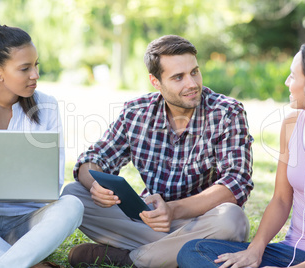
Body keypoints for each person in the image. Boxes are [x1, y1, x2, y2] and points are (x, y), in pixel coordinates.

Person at [62, 35, 254, 268]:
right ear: (156, 82)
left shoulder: (227, 112)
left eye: (194, 72)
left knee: (233, 220)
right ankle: (171, 255)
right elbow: (94, 158)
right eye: (178, 77)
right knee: (74, 194)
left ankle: (131, 260)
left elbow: (237, 182)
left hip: (201, 223)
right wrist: (94, 185)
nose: (192, 83)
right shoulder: (137, 112)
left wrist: (173, 210)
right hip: (148, 221)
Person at [177, 40, 305, 267]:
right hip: (290, 252)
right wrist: (255, 249)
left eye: (293, 76)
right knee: (195, 251)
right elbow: (282, 200)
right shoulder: (292, 124)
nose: (286, 82)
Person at [0, 21, 84, 268]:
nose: (35, 75)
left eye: (35, 65)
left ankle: (6, 261)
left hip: (28, 225)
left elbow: (54, 182)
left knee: (73, 204)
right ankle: (23, 261)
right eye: (25, 68)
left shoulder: (47, 106)